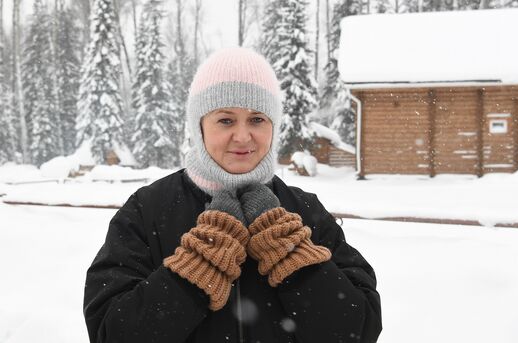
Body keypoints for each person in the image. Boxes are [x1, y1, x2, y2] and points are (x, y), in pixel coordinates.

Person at [83, 47, 382, 343]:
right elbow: (110, 332)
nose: (242, 136)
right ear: (198, 126)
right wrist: (198, 268)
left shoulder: (305, 210)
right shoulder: (147, 210)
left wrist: (293, 257)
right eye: (225, 120)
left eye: (257, 119)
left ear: (273, 126)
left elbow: (359, 330)